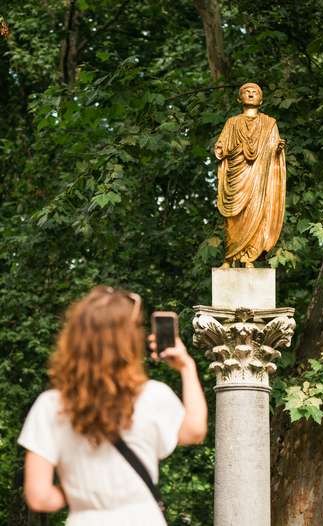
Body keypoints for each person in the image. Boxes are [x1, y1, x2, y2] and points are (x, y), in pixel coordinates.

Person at [18, 286, 207, 525]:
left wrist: (80, 492)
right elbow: (195, 430)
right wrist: (186, 367)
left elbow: (40, 498)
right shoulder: (152, 396)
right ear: (129, 341)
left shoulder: (50, 406)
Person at [215, 82, 286, 268]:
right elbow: (220, 146)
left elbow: (273, 148)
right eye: (247, 92)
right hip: (236, 177)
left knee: (255, 212)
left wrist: (277, 149)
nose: (251, 94)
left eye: (255, 92)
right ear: (240, 98)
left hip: (258, 178)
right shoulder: (232, 122)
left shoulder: (269, 124)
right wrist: (222, 149)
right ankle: (229, 258)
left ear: (261, 99)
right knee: (233, 217)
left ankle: (248, 258)